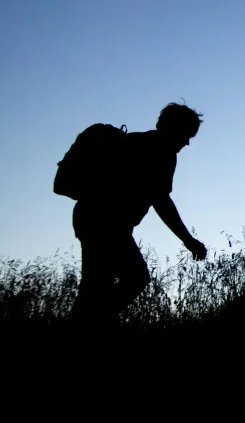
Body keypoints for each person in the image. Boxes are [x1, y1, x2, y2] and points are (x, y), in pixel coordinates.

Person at [69, 103, 208, 328]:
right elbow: (161, 201)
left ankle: (91, 320)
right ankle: (94, 321)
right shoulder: (162, 151)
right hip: (106, 223)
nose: (187, 142)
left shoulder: (135, 140)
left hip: (90, 216)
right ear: (175, 129)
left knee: (95, 284)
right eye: (187, 135)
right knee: (134, 277)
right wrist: (188, 239)